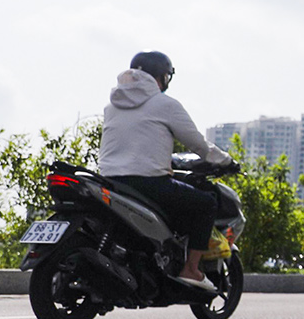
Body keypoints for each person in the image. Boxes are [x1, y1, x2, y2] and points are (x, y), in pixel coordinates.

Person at [97, 51, 237, 291]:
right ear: (162, 77)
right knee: (205, 204)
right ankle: (191, 269)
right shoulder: (165, 104)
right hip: (149, 184)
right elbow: (198, 144)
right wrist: (226, 161)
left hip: (109, 182)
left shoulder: (112, 106)